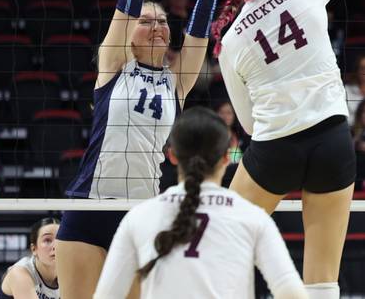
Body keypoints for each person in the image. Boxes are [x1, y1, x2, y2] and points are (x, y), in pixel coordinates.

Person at [55, 0, 228, 299]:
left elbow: (202, 19)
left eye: (162, 21)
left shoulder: (177, 80)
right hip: (88, 208)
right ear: (129, 31)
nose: (156, 26)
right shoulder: (113, 64)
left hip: (142, 212)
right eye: (146, 21)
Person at [214, 0, 365, 299]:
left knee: (220, 241)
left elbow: (248, 125)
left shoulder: (231, 42)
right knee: (322, 277)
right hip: (331, 140)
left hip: (275, 150)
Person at [94, 107, 307, 299]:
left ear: (172, 156)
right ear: (226, 157)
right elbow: (290, 291)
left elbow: (106, 295)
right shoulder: (253, 217)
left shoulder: (139, 217)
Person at [0, 218, 59, 299]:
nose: (55, 246)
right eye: (47, 240)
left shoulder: (69, 273)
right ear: (34, 249)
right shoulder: (19, 272)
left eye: (59, 239)